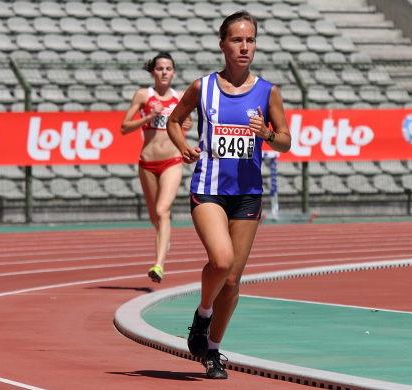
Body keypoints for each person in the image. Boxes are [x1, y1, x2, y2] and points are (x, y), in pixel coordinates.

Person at [167, 12, 291, 379]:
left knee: (234, 280)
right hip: (208, 189)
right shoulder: (202, 87)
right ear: (223, 44)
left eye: (250, 40)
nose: (244, 47)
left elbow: (285, 140)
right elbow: (175, 120)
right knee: (220, 262)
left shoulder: (268, 91)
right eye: (237, 40)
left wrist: (265, 135)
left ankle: (213, 352)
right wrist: (184, 146)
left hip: (248, 195)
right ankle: (202, 315)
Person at [120, 52, 192, 284]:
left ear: (174, 72)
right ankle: (164, 237)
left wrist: (187, 125)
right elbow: (124, 127)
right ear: (153, 72)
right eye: (159, 68)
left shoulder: (180, 97)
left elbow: (185, 125)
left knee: (162, 211)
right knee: (155, 217)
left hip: (172, 160)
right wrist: (149, 115)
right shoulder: (143, 95)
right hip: (147, 162)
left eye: (168, 68)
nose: (164, 72)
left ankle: (159, 265)